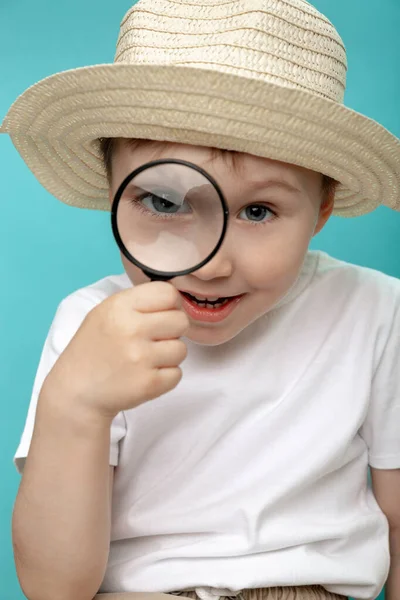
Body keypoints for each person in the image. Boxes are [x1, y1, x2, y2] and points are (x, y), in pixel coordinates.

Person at [2, 1, 400, 599]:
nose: (211, 264)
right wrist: (75, 407)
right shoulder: (89, 324)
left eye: (258, 211)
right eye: (164, 203)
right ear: (113, 192)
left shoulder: (374, 310)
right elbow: (54, 588)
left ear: (321, 209)